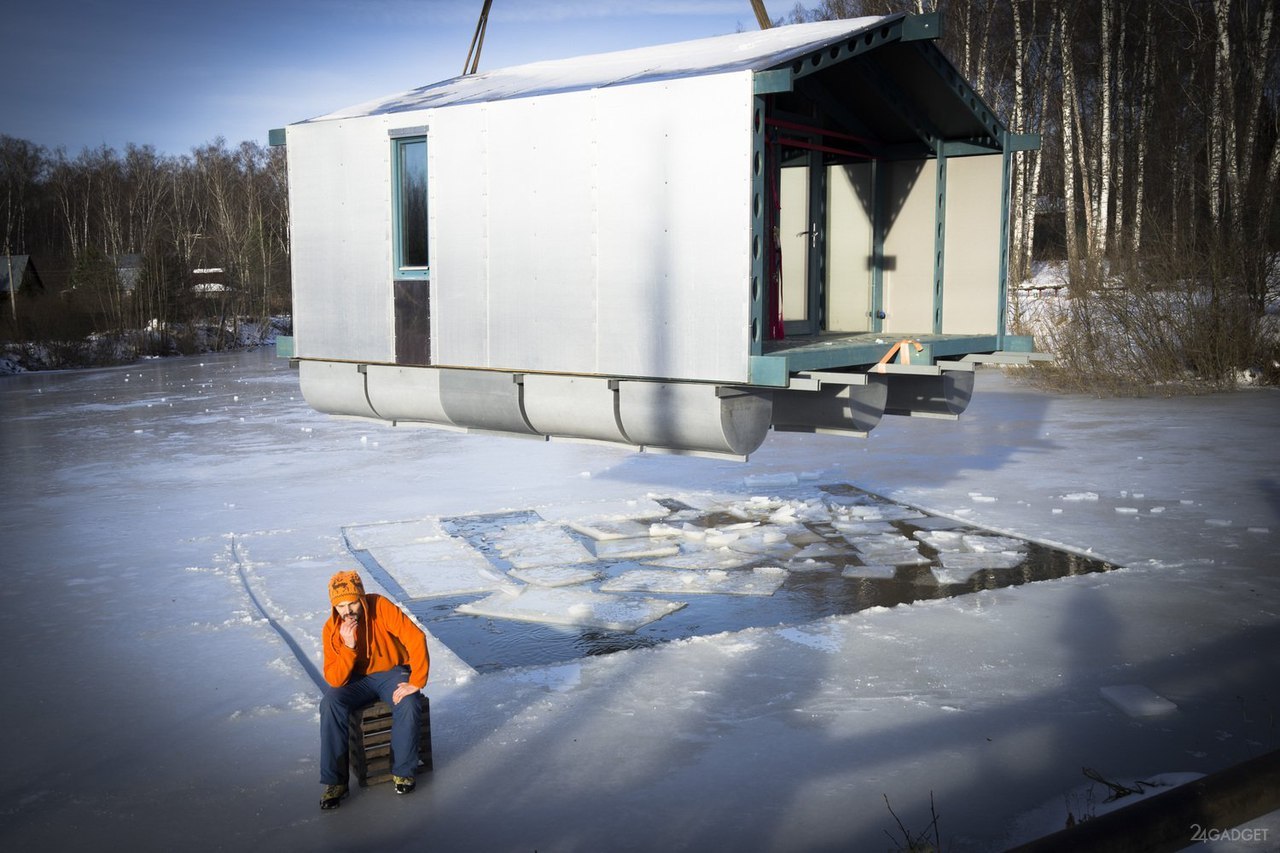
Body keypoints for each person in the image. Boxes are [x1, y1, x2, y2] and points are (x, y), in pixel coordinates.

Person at [318, 570, 430, 810]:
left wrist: (417, 680)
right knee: (330, 703)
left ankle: (403, 772)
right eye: (340, 607)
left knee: (409, 702)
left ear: (362, 598)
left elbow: (415, 637)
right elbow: (335, 679)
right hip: (355, 680)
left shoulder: (380, 605)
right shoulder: (331, 629)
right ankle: (335, 782)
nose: (347, 612)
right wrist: (348, 647)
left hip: (391, 672)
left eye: (352, 604)